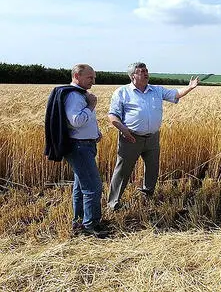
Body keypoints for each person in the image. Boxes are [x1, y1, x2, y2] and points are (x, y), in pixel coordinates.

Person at [107, 62, 199, 210]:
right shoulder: (122, 92)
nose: (145, 73)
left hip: (152, 138)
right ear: (133, 76)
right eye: (141, 71)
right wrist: (124, 130)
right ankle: (113, 203)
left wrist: (190, 87)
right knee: (123, 170)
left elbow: (175, 94)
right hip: (131, 138)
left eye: (146, 70)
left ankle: (147, 194)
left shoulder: (156, 90)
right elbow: (112, 115)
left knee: (152, 168)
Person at [45, 64, 107, 237]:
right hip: (79, 147)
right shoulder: (74, 96)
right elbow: (76, 121)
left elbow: (80, 123)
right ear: (77, 76)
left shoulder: (78, 94)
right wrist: (92, 105)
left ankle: (79, 221)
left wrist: (95, 132)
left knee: (81, 186)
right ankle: (91, 225)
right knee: (93, 187)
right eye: (90, 77)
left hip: (83, 144)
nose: (93, 81)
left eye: (94, 77)